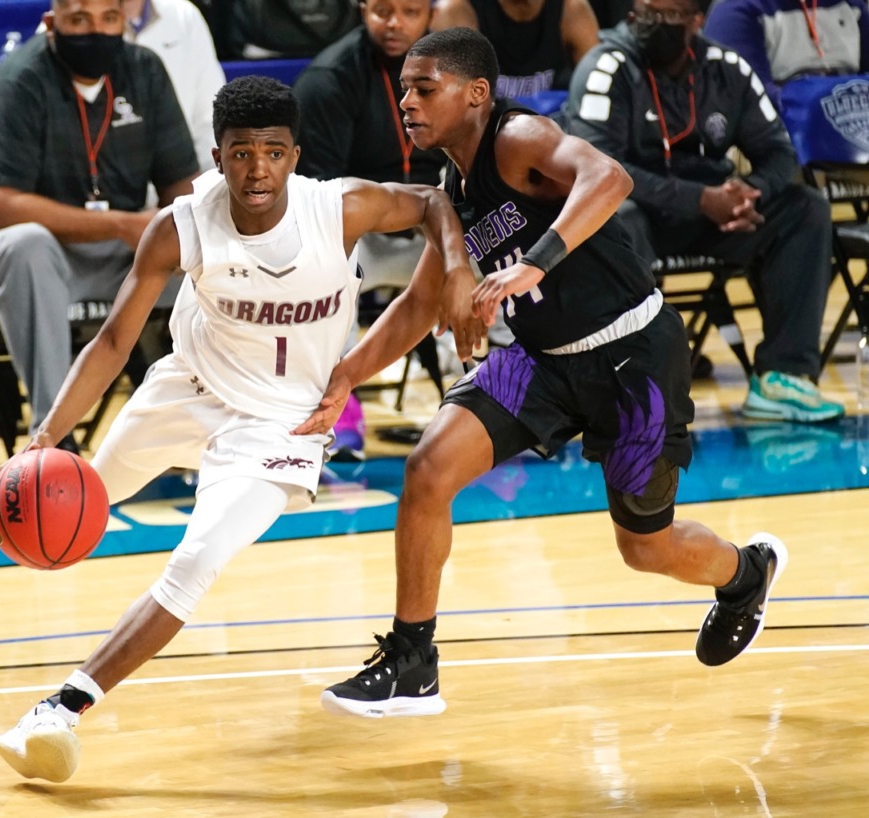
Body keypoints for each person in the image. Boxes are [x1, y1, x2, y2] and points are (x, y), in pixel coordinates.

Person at [0, 74, 473, 781]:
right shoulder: (180, 225)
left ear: (295, 155)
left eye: (274, 153)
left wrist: (456, 266)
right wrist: (46, 438)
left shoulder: (336, 208)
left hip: (282, 425)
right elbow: (113, 343)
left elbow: (432, 202)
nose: (258, 170)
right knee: (68, 502)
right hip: (187, 392)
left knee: (197, 561)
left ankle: (59, 710)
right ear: (217, 157)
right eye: (241, 153)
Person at [298, 27, 789, 719]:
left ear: (474, 94)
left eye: (423, 88)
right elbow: (418, 304)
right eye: (404, 87)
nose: (406, 100)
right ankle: (413, 661)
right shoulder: (453, 182)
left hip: (631, 357)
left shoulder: (517, 136)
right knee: (428, 470)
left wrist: (541, 257)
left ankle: (745, 574)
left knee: (645, 548)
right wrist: (346, 374)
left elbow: (609, 177)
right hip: (539, 363)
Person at [566, 0, 845, 423]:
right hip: (641, 212)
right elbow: (600, 166)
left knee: (804, 209)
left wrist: (749, 191)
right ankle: (626, 384)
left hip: (713, 216)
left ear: (696, 21)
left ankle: (783, 376)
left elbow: (779, 152)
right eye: (645, 12)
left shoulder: (725, 67)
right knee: (617, 218)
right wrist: (699, 198)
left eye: (666, 15)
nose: (651, 24)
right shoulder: (606, 67)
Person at [0, 0, 199, 442]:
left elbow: (182, 183)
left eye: (109, 19)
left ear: (124, 23)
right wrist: (121, 224)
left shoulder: (145, 71)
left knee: (206, 254)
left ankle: (197, 428)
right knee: (29, 246)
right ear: (51, 24)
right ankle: (52, 436)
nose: (95, 32)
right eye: (79, 19)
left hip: (111, 259)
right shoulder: (20, 80)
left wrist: (193, 231)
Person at [294, 0, 448, 459]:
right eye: (383, 9)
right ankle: (337, 400)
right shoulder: (329, 80)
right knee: (323, 258)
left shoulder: (455, 75)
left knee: (503, 249)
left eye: (410, 10)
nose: (395, 22)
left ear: (432, 13)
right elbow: (320, 198)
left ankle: (495, 385)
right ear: (363, 9)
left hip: (439, 227)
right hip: (364, 236)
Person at [704, 0, 869, 113]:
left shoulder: (850, 4)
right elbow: (751, 100)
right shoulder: (734, 11)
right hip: (777, 141)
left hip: (853, 133)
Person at [122, 0, 226, 172]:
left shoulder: (184, 15)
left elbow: (210, 117)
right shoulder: (74, 23)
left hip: (184, 180)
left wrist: (209, 186)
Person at [431, 0, 600, 96]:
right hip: (484, 138)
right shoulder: (457, 12)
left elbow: (599, 90)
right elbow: (456, 103)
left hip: (553, 134)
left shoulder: (572, 11)